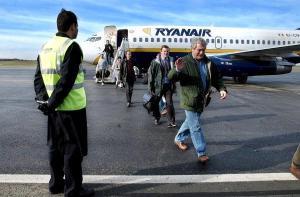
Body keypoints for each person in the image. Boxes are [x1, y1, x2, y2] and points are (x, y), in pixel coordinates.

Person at [33, 9, 94, 197]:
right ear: (72, 26)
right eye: (77, 27)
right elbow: (67, 81)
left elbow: (38, 78)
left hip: (53, 110)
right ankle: (73, 190)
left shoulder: (45, 47)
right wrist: (51, 103)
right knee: (72, 151)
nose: (77, 31)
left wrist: (45, 101)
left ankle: (56, 184)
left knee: (55, 147)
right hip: (72, 109)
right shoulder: (71, 47)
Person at [168, 37, 227, 163]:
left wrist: (222, 88)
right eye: (199, 50)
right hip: (189, 100)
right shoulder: (184, 61)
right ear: (192, 48)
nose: (202, 52)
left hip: (202, 100)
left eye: (203, 50)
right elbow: (171, 77)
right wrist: (177, 69)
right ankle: (201, 152)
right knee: (195, 126)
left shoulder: (208, 62)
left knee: (189, 123)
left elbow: (217, 78)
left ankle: (178, 138)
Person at [148, 45, 176, 127]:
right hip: (158, 86)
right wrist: (150, 87)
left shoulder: (171, 60)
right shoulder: (155, 62)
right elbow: (151, 75)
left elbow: (173, 73)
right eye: (164, 51)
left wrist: (174, 84)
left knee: (169, 103)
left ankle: (171, 121)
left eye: (167, 51)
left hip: (168, 85)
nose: (166, 53)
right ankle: (157, 117)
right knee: (156, 103)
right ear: (161, 52)